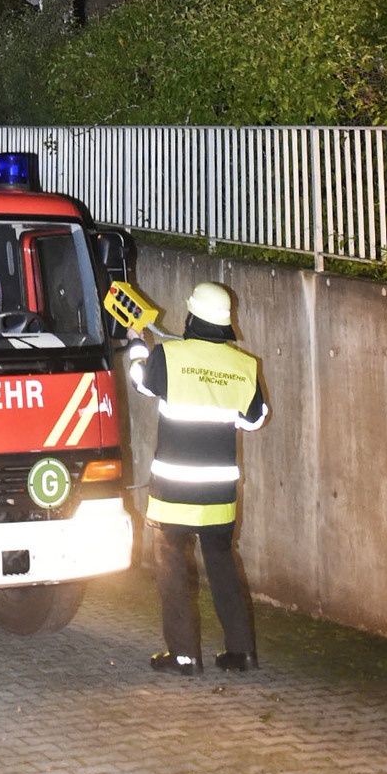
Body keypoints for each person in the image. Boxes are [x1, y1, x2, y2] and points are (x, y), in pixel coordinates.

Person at [126, 279, 267, 674]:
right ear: (225, 323)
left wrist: (137, 339)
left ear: (190, 315)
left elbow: (139, 380)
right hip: (219, 494)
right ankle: (242, 652)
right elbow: (255, 419)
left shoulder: (169, 357)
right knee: (223, 565)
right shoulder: (244, 365)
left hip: (173, 490)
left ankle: (185, 655)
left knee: (172, 568)